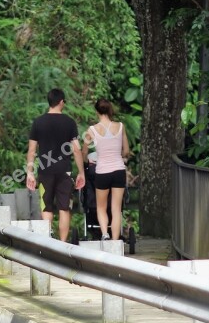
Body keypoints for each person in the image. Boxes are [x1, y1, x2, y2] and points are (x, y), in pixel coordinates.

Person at [25, 89, 86, 241]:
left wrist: (30, 172)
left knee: (46, 206)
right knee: (64, 208)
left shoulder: (38, 122)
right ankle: (63, 245)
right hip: (64, 171)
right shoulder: (69, 122)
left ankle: (47, 241)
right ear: (61, 102)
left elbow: (32, 150)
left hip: (45, 171)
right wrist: (81, 172)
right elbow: (77, 149)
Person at [82, 99, 130, 241]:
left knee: (101, 207)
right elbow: (126, 151)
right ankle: (115, 241)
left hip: (102, 172)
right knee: (116, 209)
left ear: (96, 112)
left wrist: (88, 161)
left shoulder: (92, 130)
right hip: (119, 171)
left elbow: (84, 152)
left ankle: (104, 234)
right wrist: (118, 156)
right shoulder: (120, 127)